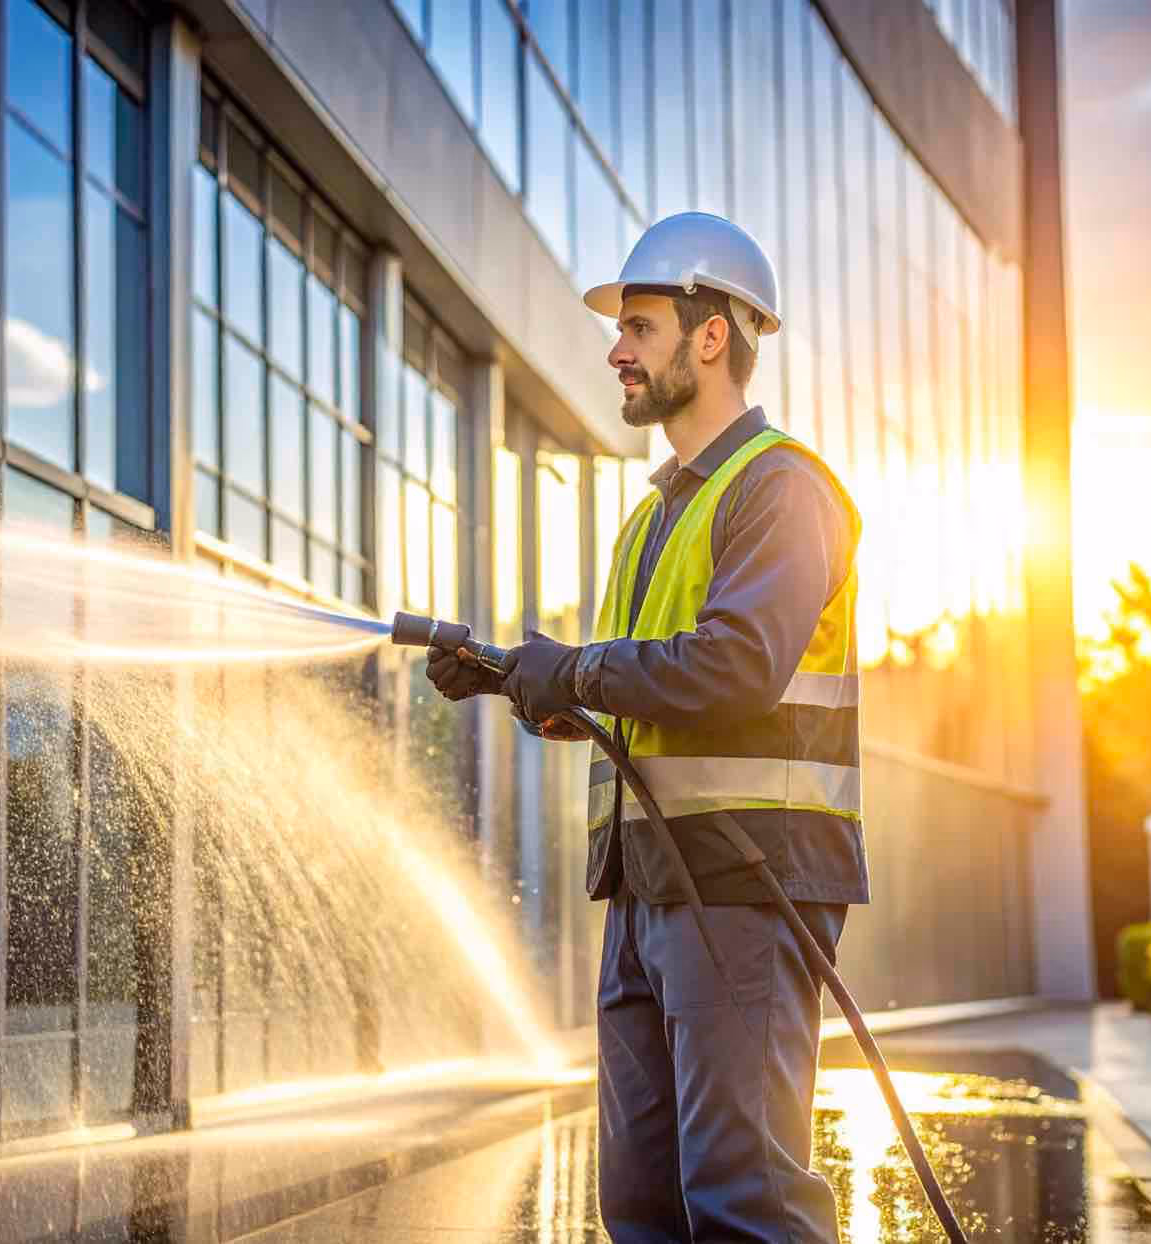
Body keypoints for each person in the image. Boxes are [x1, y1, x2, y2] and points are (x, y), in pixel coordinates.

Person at [426, 212, 867, 1243]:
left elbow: (732, 669)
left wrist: (570, 665)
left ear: (711, 335)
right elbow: (645, 702)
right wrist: (514, 678)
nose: (617, 349)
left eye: (640, 324)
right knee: (642, 1206)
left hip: (745, 886)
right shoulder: (652, 514)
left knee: (741, 1202)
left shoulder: (782, 488)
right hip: (647, 891)